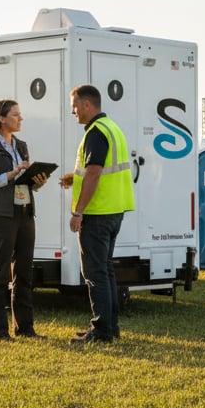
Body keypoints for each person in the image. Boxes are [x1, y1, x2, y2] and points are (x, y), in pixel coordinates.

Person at [59, 84, 135, 345]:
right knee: (106, 271)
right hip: (115, 210)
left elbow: (94, 172)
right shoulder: (112, 128)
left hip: (97, 213)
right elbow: (98, 171)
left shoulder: (94, 132)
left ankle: (101, 331)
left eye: (74, 107)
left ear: (87, 105)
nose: (73, 113)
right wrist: (74, 179)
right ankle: (110, 328)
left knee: (95, 273)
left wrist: (77, 211)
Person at [0, 99, 49, 341]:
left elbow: (24, 184)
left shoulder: (22, 146)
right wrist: (12, 173)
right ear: (2, 118)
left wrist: (37, 183)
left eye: (20, 114)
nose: (21, 119)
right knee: (0, 274)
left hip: (25, 214)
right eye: (16, 115)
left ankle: (25, 329)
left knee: (24, 274)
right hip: (1, 217)